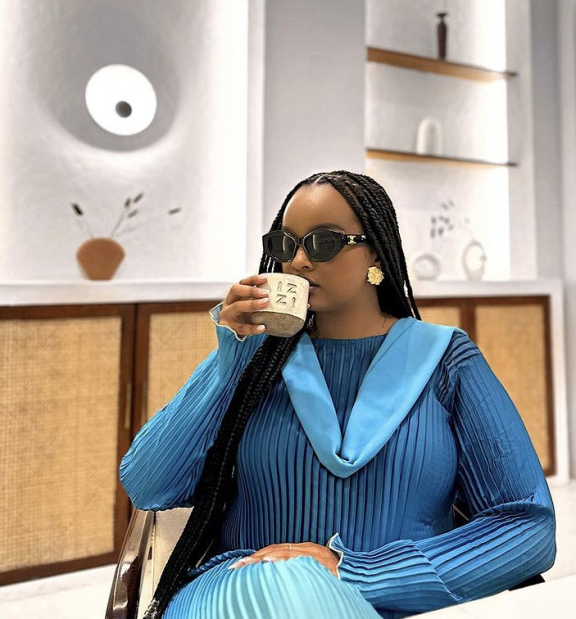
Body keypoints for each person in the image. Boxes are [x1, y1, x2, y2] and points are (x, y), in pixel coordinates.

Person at [120, 170, 556, 619]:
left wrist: (358, 573)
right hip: (240, 589)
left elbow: (528, 528)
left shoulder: (447, 359)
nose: (299, 262)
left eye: (323, 242)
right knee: (284, 587)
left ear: (376, 251)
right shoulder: (257, 361)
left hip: (392, 599)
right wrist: (230, 357)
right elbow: (149, 486)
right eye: (285, 245)